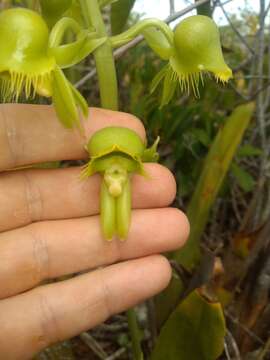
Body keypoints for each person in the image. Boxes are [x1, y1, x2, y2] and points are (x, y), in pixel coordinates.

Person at [0, 104, 190, 359]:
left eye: (118, 169)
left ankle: (118, 229)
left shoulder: (113, 168)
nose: (113, 173)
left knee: (118, 210)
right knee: (117, 209)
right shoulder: (118, 169)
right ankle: (117, 229)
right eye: (110, 170)